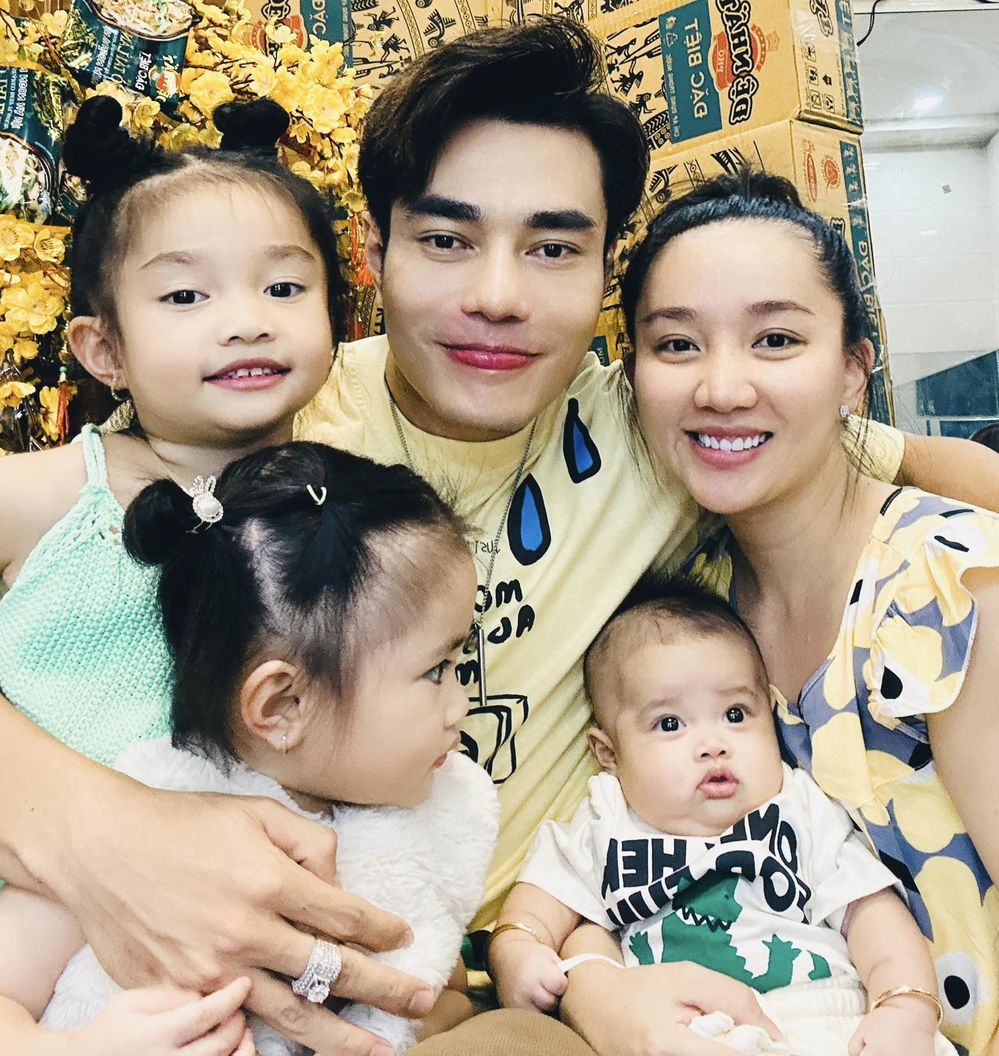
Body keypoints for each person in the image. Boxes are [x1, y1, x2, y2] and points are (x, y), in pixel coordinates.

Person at [2, 20, 999, 1056]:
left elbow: (902, 460)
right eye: (446, 240)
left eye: (554, 248)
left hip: (521, 979)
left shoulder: (667, 420)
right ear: (373, 254)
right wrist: (90, 827)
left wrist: (586, 981)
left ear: (605, 274)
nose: (497, 297)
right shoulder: (271, 422)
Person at [0, 95, 435, 1053]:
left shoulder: (337, 502)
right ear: (103, 349)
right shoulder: (47, 495)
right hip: (47, 886)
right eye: (185, 297)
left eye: (282, 287)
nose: (245, 323)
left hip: (253, 888)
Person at [607, 169, 999, 1056]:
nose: (721, 387)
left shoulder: (950, 584)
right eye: (676, 344)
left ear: (854, 369)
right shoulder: (688, 613)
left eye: (775, 339)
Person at [0, 440, 498, 1055]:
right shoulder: (154, 815)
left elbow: (443, 987)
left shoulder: (434, 814)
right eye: (436, 671)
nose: (461, 705)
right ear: (282, 705)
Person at [491, 577, 956, 1056]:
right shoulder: (607, 821)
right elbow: (537, 904)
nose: (713, 744)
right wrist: (517, 951)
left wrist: (905, 1008)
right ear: (608, 753)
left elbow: (872, 913)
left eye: (735, 714)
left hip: (820, 1016)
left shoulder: (799, 807)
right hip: (679, 1026)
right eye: (670, 723)